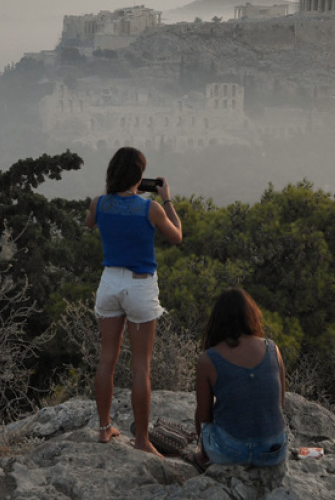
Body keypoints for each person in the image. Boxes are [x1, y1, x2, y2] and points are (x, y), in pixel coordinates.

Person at [85, 147, 182, 457]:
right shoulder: (150, 208)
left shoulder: (99, 203)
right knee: (141, 367)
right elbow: (177, 236)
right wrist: (167, 198)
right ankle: (141, 439)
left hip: (109, 282)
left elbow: (90, 225)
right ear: (139, 177)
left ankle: (104, 429)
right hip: (139, 285)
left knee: (107, 359)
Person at [187, 288, 288, 470]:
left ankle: (201, 458)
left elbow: (204, 416)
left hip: (231, 452)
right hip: (274, 451)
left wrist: (204, 453)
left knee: (206, 420)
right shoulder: (273, 350)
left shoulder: (208, 360)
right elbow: (279, 405)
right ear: (251, 316)